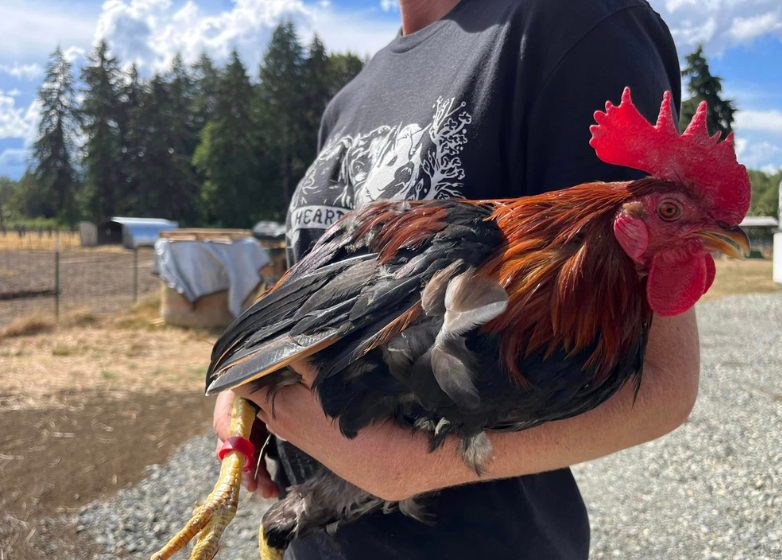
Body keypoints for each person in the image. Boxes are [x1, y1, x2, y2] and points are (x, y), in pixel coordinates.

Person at [214, 0, 700, 558]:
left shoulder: (572, 26)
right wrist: (246, 384)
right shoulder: (350, 97)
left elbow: (663, 382)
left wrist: (406, 465)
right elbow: (305, 289)